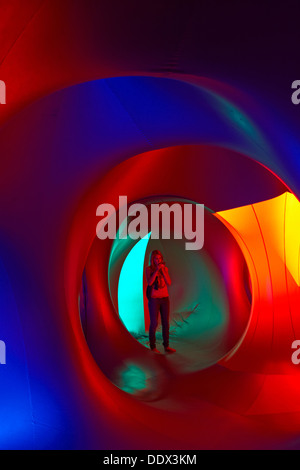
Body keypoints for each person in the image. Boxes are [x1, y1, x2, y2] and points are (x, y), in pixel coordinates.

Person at [145, 250, 176, 354]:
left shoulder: (164, 268)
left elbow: (169, 282)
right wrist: (156, 271)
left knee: (165, 323)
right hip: (154, 299)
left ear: (161, 259)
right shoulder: (149, 269)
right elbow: (150, 283)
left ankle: (166, 345)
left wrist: (163, 271)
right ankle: (153, 346)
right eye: (155, 258)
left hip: (165, 298)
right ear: (152, 260)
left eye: (159, 258)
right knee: (154, 323)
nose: (158, 260)